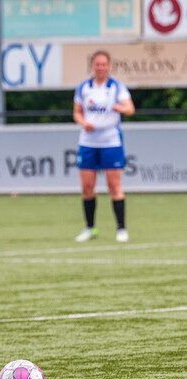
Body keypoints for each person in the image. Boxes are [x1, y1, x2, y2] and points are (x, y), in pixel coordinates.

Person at [73, 50, 135, 243]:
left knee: (114, 186)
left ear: (109, 66)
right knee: (87, 186)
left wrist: (120, 108)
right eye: (97, 64)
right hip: (88, 142)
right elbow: (77, 112)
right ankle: (90, 228)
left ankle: (121, 229)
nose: (100, 67)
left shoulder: (117, 87)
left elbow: (130, 109)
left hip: (110, 141)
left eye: (104, 64)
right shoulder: (83, 87)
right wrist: (84, 123)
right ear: (93, 66)